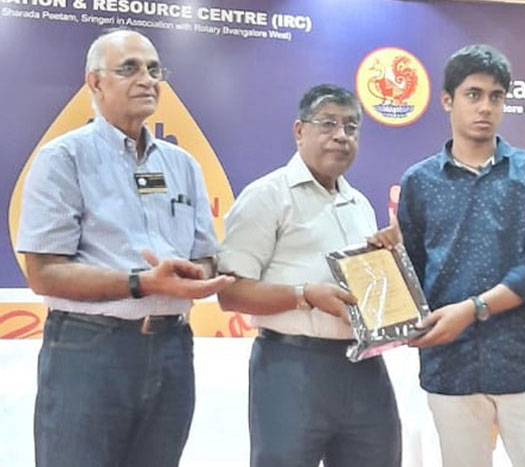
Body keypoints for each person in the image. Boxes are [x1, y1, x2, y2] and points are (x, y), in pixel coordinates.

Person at [16, 29, 234, 467]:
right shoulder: (63, 158)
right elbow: (45, 272)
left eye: (154, 69)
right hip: (90, 348)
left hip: (173, 348)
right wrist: (143, 282)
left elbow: (205, 254)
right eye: (130, 68)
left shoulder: (183, 165)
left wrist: (197, 274)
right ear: (95, 82)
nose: (147, 79)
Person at [397, 44, 525, 466]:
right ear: (447, 100)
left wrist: (472, 309)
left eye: (496, 96)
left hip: (521, 358)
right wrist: (383, 263)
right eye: (473, 94)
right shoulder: (418, 182)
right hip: (449, 362)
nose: (485, 107)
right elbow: (412, 275)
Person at [217, 84, 401, 467]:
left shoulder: (359, 204)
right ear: (299, 131)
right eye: (328, 124)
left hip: (363, 367)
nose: (341, 135)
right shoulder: (267, 196)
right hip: (290, 366)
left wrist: (388, 268)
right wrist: (305, 295)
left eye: (351, 127)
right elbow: (230, 293)